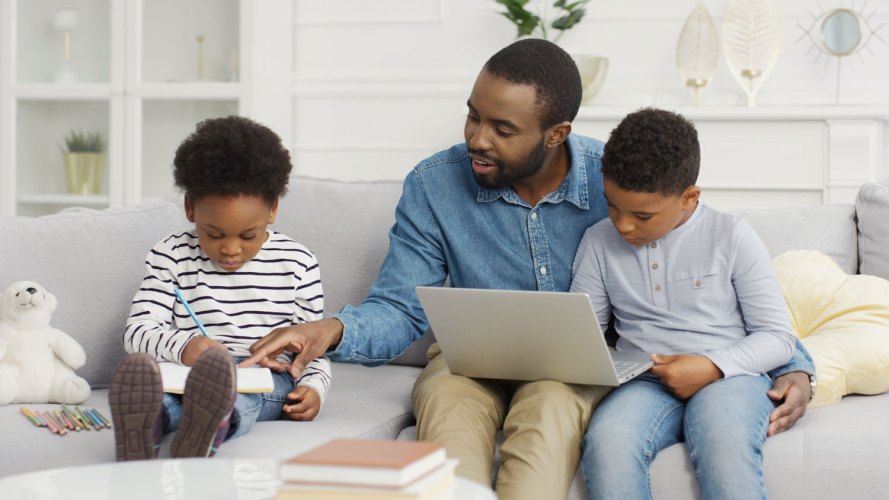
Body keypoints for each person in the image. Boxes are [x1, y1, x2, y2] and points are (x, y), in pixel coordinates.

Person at [241, 40, 815, 499]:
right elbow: (399, 306)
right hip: (465, 364)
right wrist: (330, 329)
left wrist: (796, 367)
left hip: (567, 369)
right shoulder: (434, 184)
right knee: (449, 452)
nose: (476, 140)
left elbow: (711, 272)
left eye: (502, 129)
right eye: (472, 117)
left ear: (556, 134)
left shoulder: (613, 182)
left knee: (547, 427)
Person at [571, 108, 800, 499]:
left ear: (688, 197)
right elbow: (582, 333)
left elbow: (778, 337)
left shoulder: (732, 236)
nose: (623, 225)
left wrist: (711, 366)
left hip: (730, 378)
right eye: (612, 206)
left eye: (643, 215)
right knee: (609, 442)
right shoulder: (598, 241)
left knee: (724, 442)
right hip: (645, 381)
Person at [109, 116, 331, 461]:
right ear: (189, 208)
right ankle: (148, 425)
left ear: (273, 209)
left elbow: (312, 347)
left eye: (247, 236)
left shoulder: (299, 262)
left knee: (244, 396)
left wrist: (314, 387)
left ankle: (209, 426)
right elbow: (137, 332)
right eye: (213, 234)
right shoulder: (170, 255)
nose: (230, 249)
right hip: (192, 374)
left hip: (266, 377)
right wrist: (186, 347)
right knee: (173, 396)